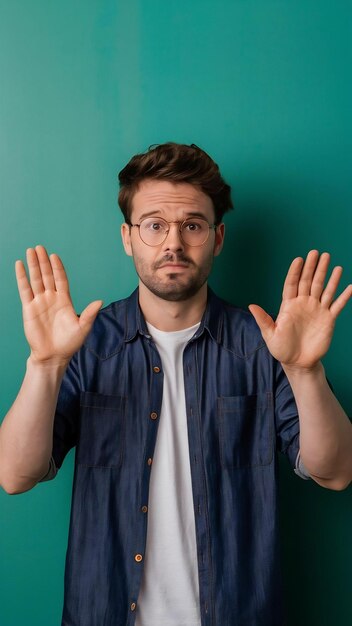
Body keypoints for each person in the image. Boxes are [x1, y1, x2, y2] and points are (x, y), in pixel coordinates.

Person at [0, 142, 351, 626]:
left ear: (218, 237)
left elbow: (336, 472)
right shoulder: (85, 344)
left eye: (192, 225)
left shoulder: (266, 345)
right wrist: (44, 363)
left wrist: (305, 371)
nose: (173, 243)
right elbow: (15, 475)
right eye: (154, 225)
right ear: (128, 237)